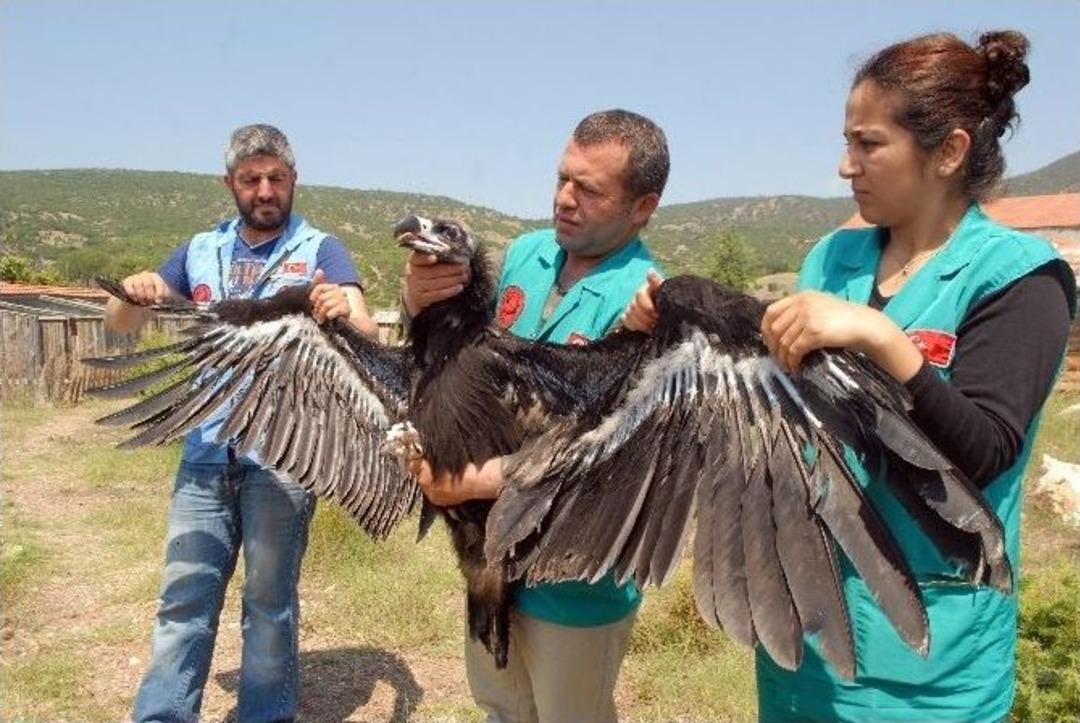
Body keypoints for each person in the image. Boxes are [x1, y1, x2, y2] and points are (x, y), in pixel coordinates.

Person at [630, 30, 1075, 722]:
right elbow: (775, 403)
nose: (846, 166)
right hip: (805, 634)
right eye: (847, 141)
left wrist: (881, 337)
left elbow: (986, 452)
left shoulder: (1017, 278)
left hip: (928, 664)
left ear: (949, 151)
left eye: (869, 144)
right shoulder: (833, 258)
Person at [402, 109, 668, 723]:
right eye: (561, 178)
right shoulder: (525, 256)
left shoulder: (646, 306)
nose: (564, 199)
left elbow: (614, 458)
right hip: (488, 559)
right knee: (501, 708)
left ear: (642, 206)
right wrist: (420, 296)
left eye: (590, 189)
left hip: (573, 576)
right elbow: (452, 354)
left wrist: (473, 481)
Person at [106, 123, 378, 722]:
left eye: (276, 178)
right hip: (205, 456)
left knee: (268, 603)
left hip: (283, 463)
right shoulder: (199, 250)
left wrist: (343, 311)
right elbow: (119, 323)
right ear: (229, 183)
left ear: (293, 181)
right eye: (251, 179)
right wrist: (133, 292)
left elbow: (368, 331)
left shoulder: (321, 251)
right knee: (183, 598)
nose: (264, 189)